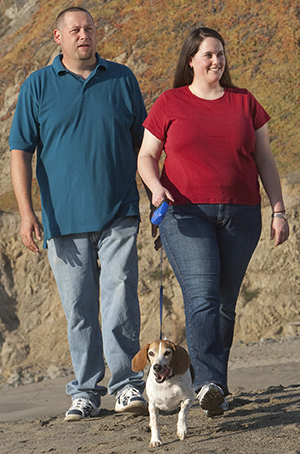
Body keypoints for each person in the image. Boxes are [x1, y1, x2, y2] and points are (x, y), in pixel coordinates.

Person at [137, 27, 289, 417]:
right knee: (202, 295)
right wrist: (155, 188)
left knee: (224, 304)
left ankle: (214, 386)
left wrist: (278, 209)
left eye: (220, 54)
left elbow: (265, 159)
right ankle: (205, 381)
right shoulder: (170, 102)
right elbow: (147, 156)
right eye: (207, 55)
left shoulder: (245, 103)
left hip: (240, 212)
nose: (216, 61)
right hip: (185, 213)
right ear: (191, 60)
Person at [9, 7, 148, 421]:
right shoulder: (37, 85)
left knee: (120, 296)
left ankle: (126, 385)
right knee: (79, 307)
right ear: (58, 37)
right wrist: (25, 212)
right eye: (75, 29)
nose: (84, 34)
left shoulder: (122, 78)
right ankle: (86, 391)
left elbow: (145, 146)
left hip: (119, 209)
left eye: (89, 28)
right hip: (62, 218)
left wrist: (157, 198)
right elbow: (20, 151)